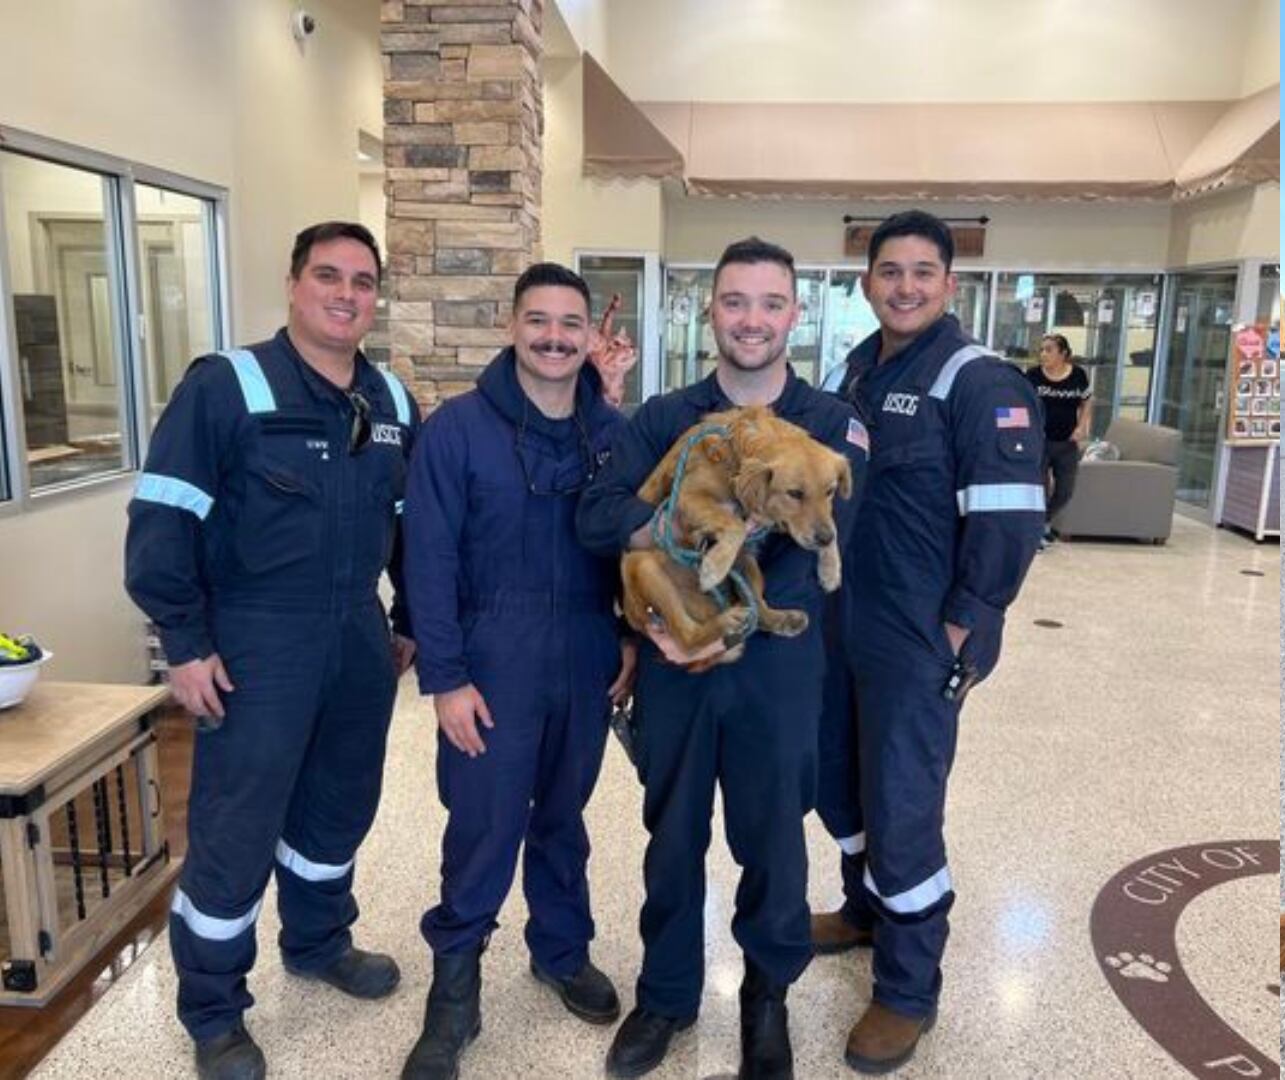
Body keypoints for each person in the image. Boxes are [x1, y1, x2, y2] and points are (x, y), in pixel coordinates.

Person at [124, 222, 419, 1080]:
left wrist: (409, 619)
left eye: (362, 281)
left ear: (375, 297)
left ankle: (319, 941)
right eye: (327, 276)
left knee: (339, 804)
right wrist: (184, 642)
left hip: (357, 635)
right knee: (238, 824)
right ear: (293, 284)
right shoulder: (227, 386)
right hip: (258, 639)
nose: (345, 294)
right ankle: (214, 1011)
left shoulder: (393, 402)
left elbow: (411, 527)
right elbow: (164, 516)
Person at [577, 237, 867, 1080]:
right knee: (672, 834)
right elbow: (597, 516)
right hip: (674, 660)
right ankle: (667, 996)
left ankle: (766, 1000)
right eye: (735, 301)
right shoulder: (669, 419)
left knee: (773, 838)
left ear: (794, 314)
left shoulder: (829, 426)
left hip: (777, 667)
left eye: (770, 303)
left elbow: (825, 551)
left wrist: (731, 632)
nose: (751, 319)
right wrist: (668, 595)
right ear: (711, 311)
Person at [812, 210, 1046, 1073]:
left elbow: (1010, 520)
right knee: (837, 778)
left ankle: (908, 989)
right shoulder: (855, 369)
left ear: (950, 283)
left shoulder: (978, 380)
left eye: (922, 272)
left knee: (902, 803)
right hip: (844, 622)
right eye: (889, 271)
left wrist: (962, 624)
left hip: (919, 637)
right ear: (866, 282)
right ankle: (863, 910)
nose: (904, 286)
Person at [397, 263, 633, 1078]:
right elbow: (427, 561)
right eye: (539, 321)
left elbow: (634, 548)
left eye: (570, 324)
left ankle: (561, 951)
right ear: (512, 326)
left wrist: (628, 636)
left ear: (588, 337)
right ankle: (454, 993)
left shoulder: (611, 434)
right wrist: (445, 678)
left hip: (587, 651)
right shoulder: (456, 431)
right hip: (493, 657)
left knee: (564, 815)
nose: (554, 338)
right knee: (483, 824)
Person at [1025, 333, 1092, 548]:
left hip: (1067, 443)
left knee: (1065, 491)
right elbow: (1022, 403)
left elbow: (1086, 401)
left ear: (1063, 353)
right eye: (1042, 350)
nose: (1043, 354)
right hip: (1039, 441)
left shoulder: (1078, 375)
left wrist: (1082, 426)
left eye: (1049, 350)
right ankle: (1037, 532)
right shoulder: (1033, 375)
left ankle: (1044, 522)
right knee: (1039, 490)